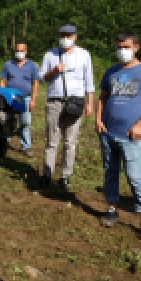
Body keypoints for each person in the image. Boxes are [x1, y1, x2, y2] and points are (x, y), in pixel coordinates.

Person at [96, 32, 141, 240]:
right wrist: (98, 120)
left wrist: (140, 125)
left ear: (136, 47)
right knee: (110, 172)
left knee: (134, 176)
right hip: (108, 132)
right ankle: (112, 208)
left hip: (130, 135)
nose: (121, 51)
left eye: (125, 46)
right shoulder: (110, 72)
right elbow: (102, 98)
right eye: (118, 47)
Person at [39, 25, 95, 192]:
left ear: (75, 37)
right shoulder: (50, 54)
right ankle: (47, 175)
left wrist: (90, 102)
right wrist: (54, 70)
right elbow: (41, 78)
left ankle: (65, 176)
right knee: (51, 141)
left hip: (75, 102)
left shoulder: (84, 55)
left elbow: (89, 82)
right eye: (62, 35)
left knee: (70, 142)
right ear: (58, 36)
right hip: (55, 102)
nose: (65, 38)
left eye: (68, 35)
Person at [0, 41, 41, 157]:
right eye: (17, 50)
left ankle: (25, 146)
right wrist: (2, 96)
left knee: (25, 123)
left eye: (21, 50)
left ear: (26, 51)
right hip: (10, 98)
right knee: (7, 121)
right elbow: (3, 81)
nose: (19, 53)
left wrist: (33, 100)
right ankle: (4, 143)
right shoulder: (8, 65)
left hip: (25, 98)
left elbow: (35, 83)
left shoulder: (32, 65)